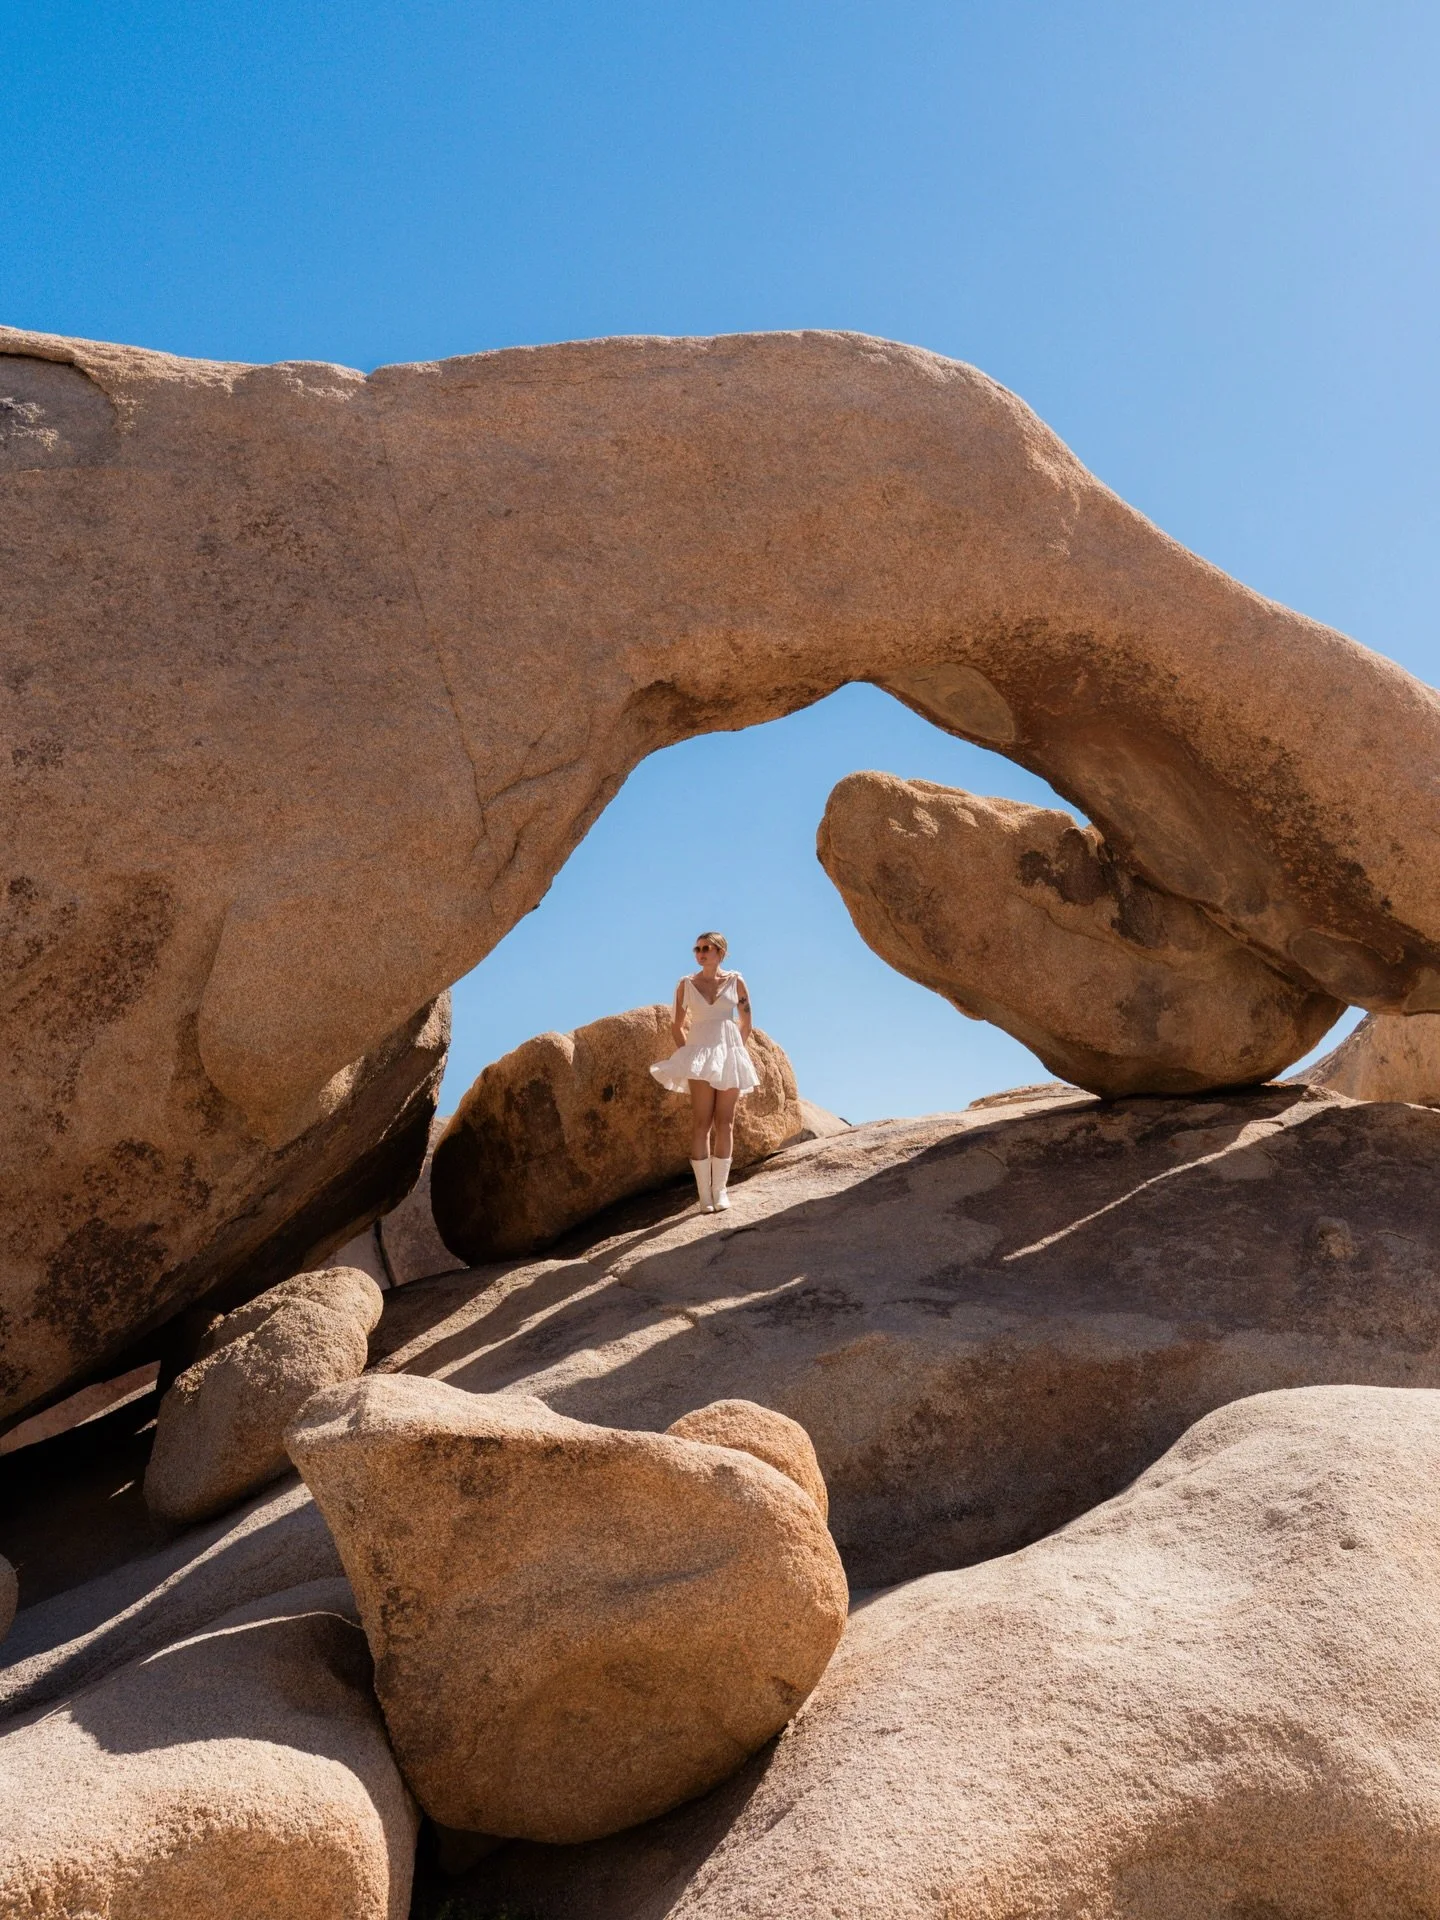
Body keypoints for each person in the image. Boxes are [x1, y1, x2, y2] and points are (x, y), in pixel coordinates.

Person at [650, 931, 759, 1213]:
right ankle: (704, 1196)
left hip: (729, 1054)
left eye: (706, 948)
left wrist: (735, 1049)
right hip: (699, 1054)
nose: (700, 952)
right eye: (697, 948)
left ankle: (720, 1190)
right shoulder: (685, 985)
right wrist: (689, 1056)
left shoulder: (736, 981)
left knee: (726, 1122)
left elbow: (746, 1020)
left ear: (720, 952)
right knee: (702, 1122)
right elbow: (677, 1025)